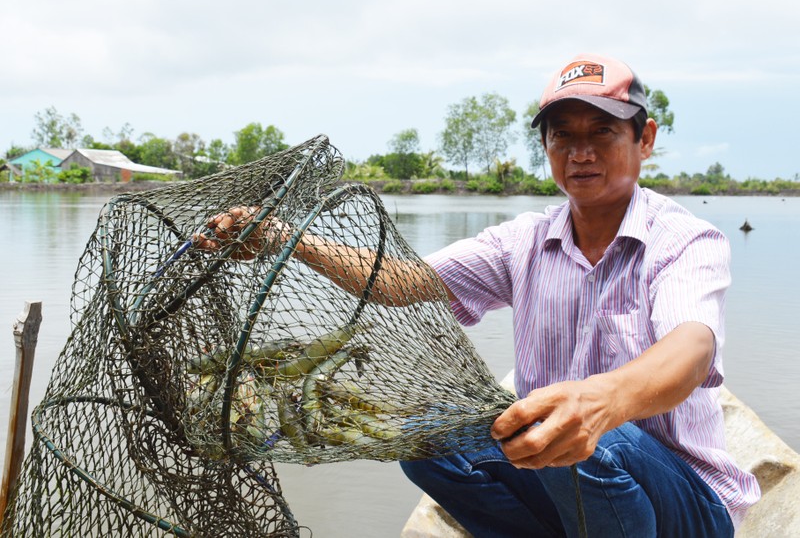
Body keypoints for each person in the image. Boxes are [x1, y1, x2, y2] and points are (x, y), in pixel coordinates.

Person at [198, 53, 760, 537]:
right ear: (547, 146)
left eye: (602, 132)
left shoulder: (685, 240)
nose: (580, 151)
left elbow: (691, 351)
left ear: (646, 139)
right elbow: (401, 281)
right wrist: (283, 238)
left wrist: (600, 402)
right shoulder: (525, 242)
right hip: (568, 476)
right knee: (428, 438)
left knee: (587, 440)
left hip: (687, 502)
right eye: (563, 134)